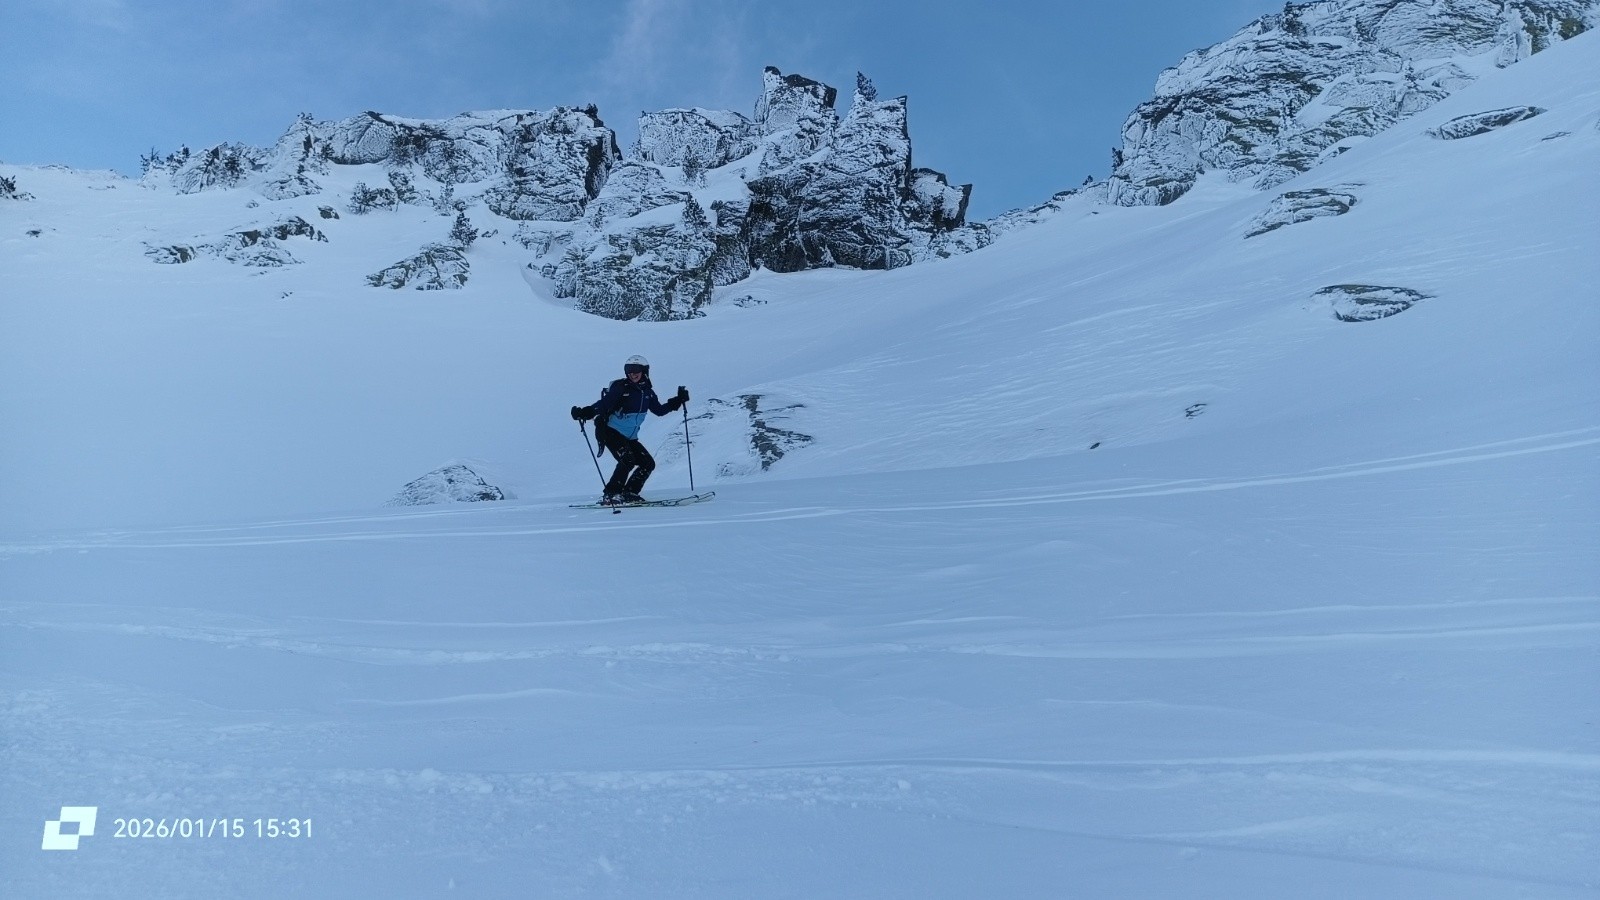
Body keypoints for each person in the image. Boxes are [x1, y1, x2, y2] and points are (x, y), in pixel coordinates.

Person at [570, 355, 689, 504]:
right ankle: (611, 494)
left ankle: (629, 492)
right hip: (610, 432)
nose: (632, 373)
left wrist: (678, 400)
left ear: (644, 371)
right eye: (629, 370)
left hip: (629, 437)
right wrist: (585, 412)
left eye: (636, 369)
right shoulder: (621, 388)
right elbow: (604, 404)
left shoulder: (648, 393)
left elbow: (659, 410)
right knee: (627, 460)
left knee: (647, 463)